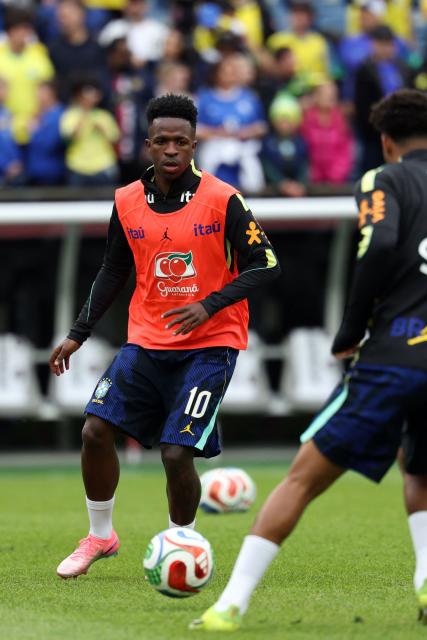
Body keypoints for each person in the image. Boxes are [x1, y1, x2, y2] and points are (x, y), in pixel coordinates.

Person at [190, 88, 427, 631]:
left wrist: (349, 328)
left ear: (387, 142)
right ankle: (425, 576)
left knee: (301, 479)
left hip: (393, 354)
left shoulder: (382, 178)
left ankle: (230, 604)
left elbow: (383, 246)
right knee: (419, 466)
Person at [49, 93, 280, 579]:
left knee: (176, 453)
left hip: (211, 344)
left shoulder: (224, 199)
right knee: (94, 430)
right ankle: (100, 536)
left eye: (181, 142)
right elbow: (114, 269)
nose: (171, 150)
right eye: (162, 141)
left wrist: (208, 304)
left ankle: (183, 544)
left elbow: (267, 263)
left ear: (195, 145)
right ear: (147, 145)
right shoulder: (127, 200)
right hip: (147, 340)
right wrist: (78, 333)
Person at [60, 77, 120, 186]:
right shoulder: (71, 115)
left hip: (103, 166)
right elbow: (68, 138)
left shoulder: (104, 116)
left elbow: (114, 139)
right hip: (78, 167)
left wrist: (101, 130)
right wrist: (84, 116)